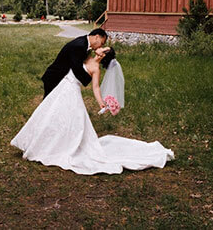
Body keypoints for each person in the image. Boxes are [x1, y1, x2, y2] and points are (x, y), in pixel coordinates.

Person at [10, 48, 174, 175]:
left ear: (103, 55)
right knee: (49, 116)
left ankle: (57, 147)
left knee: (69, 122)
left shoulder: (95, 68)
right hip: (62, 88)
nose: (100, 48)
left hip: (72, 92)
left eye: (103, 49)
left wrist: (101, 103)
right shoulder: (86, 55)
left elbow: (95, 88)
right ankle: (39, 142)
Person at [41, 28, 107, 98]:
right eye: (101, 43)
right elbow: (76, 67)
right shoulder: (80, 45)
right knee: (49, 103)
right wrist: (90, 78)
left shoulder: (84, 42)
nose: (101, 46)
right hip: (54, 77)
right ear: (96, 37)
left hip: (60, 77)